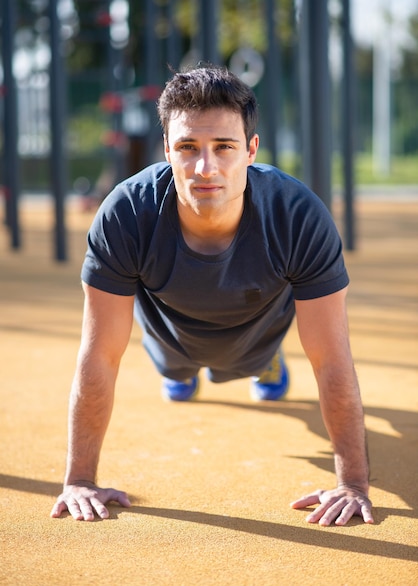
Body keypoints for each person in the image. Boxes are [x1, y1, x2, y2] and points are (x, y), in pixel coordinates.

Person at [50, 65, 373, 526]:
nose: (206, 167)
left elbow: (331, 358)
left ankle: (269, 358)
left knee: (251, 358)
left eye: (224, 147)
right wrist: (79, 478)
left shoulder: (297, 215)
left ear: (251, 150)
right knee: (177, 376)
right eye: (187, 147)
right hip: (169, 333)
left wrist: (353, 482)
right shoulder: (125, 213)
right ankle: (184, 370)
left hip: (258, 328)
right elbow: (100, 355)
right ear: (166, 150)